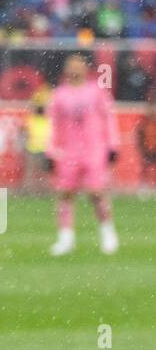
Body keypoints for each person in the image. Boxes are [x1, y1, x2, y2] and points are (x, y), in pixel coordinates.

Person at [46, 54, 119, 256]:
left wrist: (113, 144)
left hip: (94, 149)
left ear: (86, 69)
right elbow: (53, 125)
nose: (75, 69)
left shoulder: (97, 92)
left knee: (96, 192)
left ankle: (108, 232)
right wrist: (50, 150)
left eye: (78, 65)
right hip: (69, 151)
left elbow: (108, 118)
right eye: (71, 66)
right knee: (65, 194)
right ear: (66, 70)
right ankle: (65, 238)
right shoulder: (59, 95)